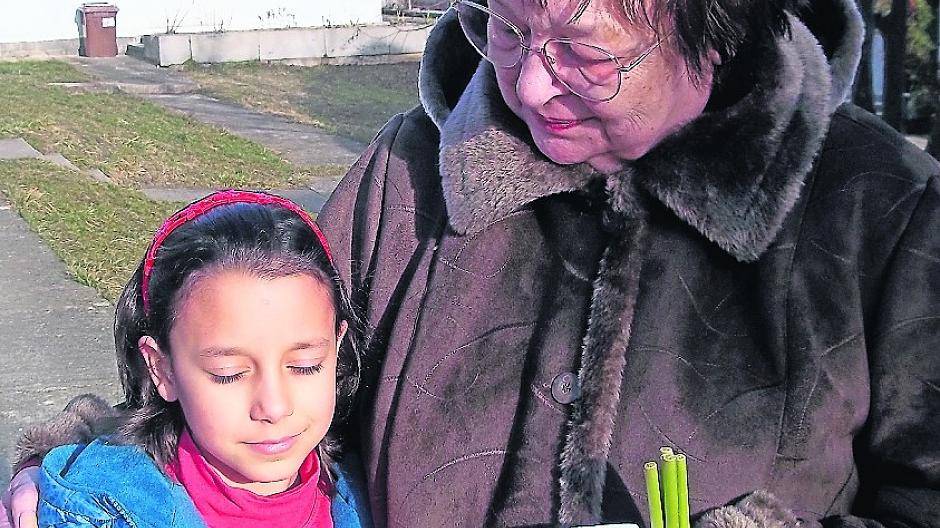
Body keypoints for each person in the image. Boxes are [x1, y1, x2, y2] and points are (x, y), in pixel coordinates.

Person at [4, 0, 940, 525]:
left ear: (715, 27)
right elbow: (252, 359)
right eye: (508, 28)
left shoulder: (878, 211)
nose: (528, 83)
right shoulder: (409, 172)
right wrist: (77, 475)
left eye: (583, 51)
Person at [15, 191, 372, 527]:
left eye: (305, 365)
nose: (274, 408)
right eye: (229, 373)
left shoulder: (375, 491)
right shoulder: (94, 508)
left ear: (337, 348)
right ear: (162, 369)